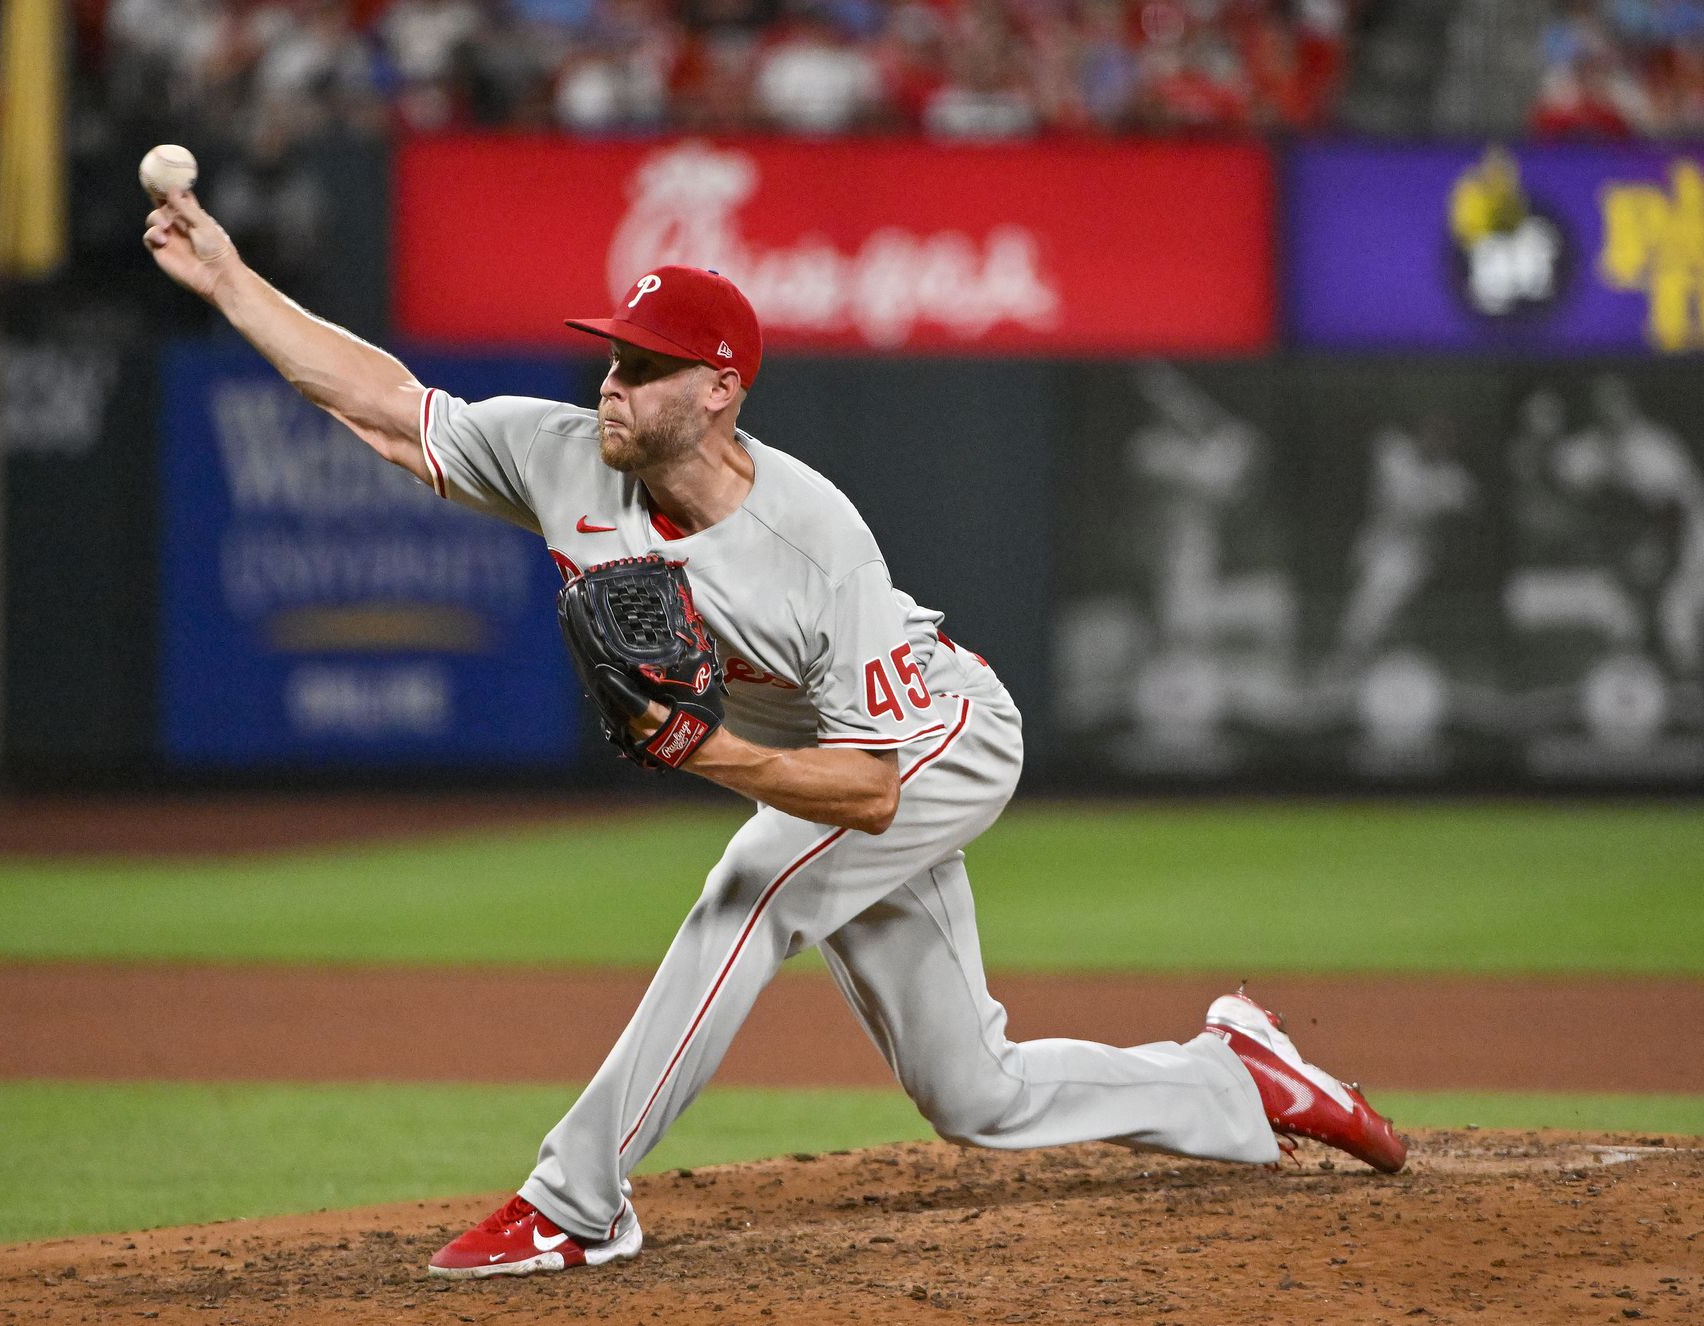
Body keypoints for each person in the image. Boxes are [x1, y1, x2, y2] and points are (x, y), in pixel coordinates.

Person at [142, 185, 1408, 1281]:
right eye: (611, 354)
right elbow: (387, 406)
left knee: (748, 891)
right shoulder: (566, 454)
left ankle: (574, 1204)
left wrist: (712, 760)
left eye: (643, 365)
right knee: (975, 1093)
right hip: (829, 762)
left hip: (937, 744)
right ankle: (1236, 1081)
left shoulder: (810, 537)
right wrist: (231, 278)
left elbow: (862, 791)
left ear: (719, 392)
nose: (612, 382)